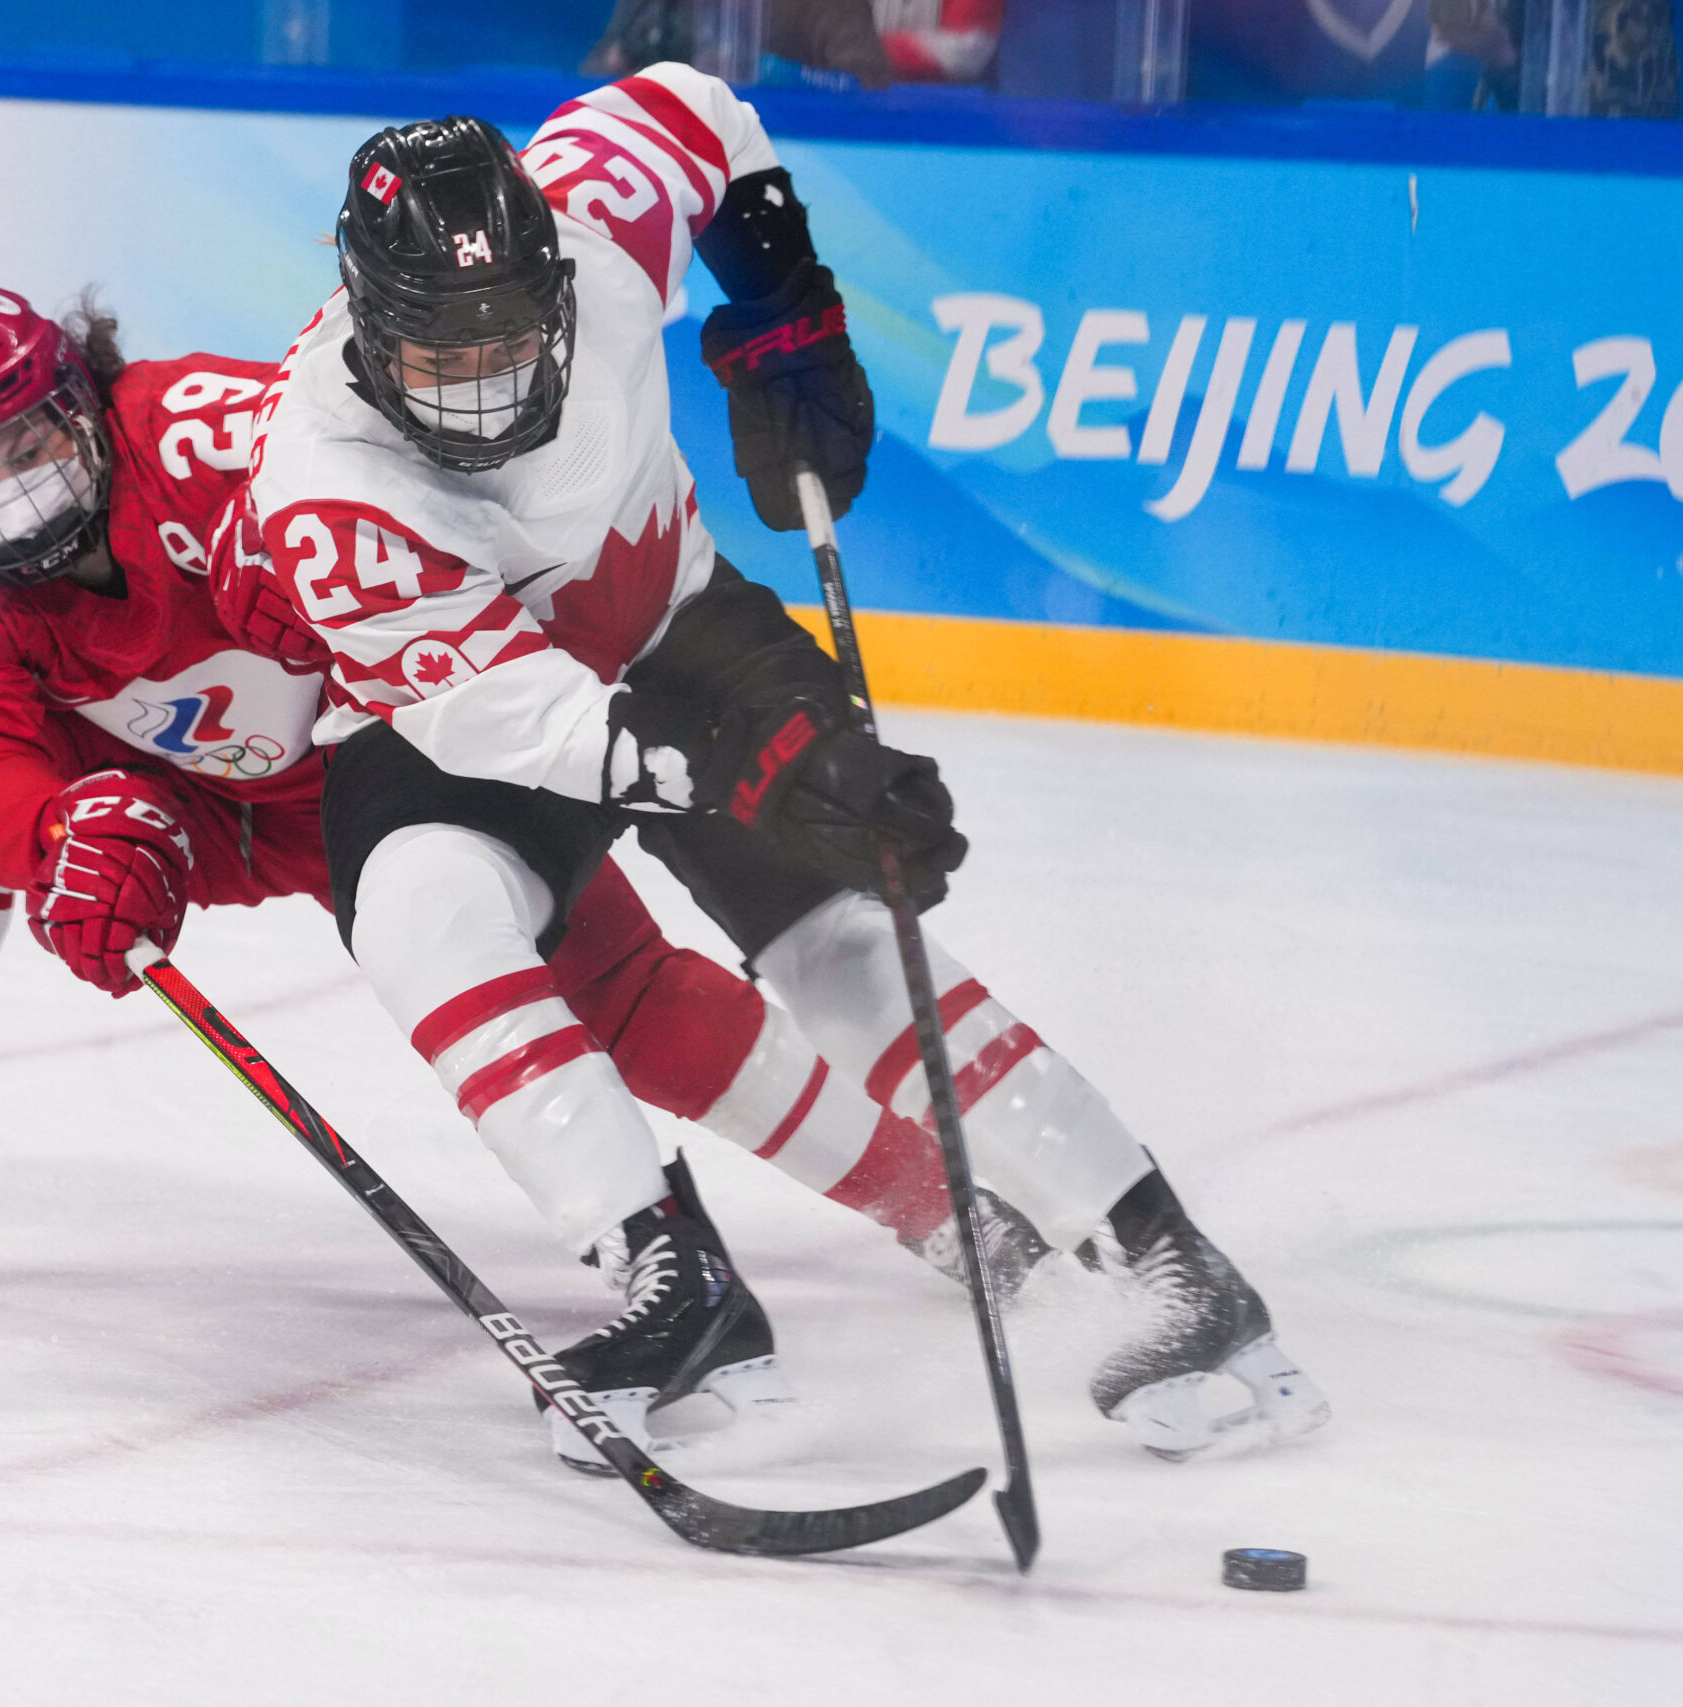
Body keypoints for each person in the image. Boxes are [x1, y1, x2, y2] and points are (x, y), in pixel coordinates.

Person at [209, 64, 1330, 1462]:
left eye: (514, 337)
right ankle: (674, 1281)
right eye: (446, 355)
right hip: (475, 718)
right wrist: (749, 773)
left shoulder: (601, 219)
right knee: (420, 909)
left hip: (674, 616)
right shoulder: (324, 481)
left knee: (848, 943)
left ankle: (1172, 1264)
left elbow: (706, 109)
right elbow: (521, 719)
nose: (491, 388)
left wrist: (781, 303)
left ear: (561, 268)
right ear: (372, 335)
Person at [0, 289, 980, 1464]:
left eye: (20, 443)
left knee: (627, 997)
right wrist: (54, 839)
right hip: (170, 811)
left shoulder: (209, 432)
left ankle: (936, 1200)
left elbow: (401, 533)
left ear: (81, 398)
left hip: (378, 749)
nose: (5, 492)